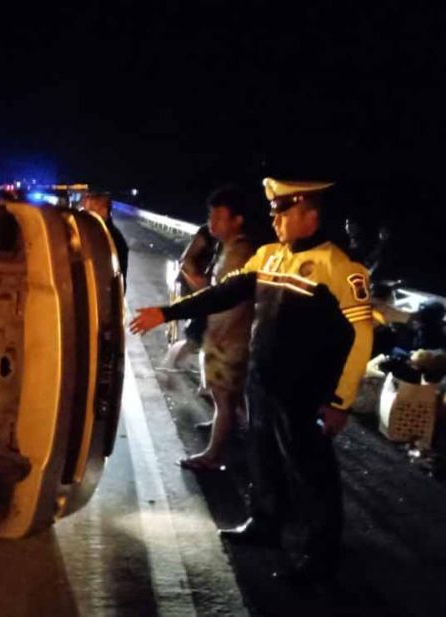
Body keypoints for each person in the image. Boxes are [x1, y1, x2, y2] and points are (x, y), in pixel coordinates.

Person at [130, 178, 373, 583]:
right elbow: (223, 293)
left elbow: (361, 335)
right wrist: (168, 312)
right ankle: (265, 522)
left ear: (310, 215)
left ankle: (321, 551)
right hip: (263, 379)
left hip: (305, 390)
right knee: (264, 456)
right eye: (274, 211)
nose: (274, 218)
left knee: (311, 472)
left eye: (283, 211)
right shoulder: (269, 257)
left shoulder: (339, 268)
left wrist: (340, 400)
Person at [178, 186, 255, 472]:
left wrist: (190, 274)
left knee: (224, 398)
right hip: (223, 335)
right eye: (211, 217)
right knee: (225, 397)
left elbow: (221, 296)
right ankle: (226, 431)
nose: (213, 224)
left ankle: (214, 455)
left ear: (237, 220)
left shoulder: (241, 252)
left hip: (231, 338)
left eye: (220, 218)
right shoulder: (228, 247)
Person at [162, 223, 217, 370]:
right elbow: (185, 261)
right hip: (193, 286)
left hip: (214, 291)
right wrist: (202, 289)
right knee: (198, 334)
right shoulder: (208, 232)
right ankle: (170, 366)